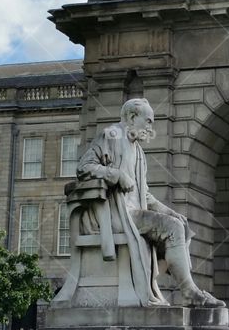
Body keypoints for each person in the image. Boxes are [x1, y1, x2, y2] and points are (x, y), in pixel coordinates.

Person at [70, 98, 220, 308]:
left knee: (180, 225)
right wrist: (116, 174)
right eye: (148, 121)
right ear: (132, 117)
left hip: (135, 213)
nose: (151, 127)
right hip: (115, 213)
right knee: (173, 228)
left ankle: (177, 287)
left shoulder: (138, 151)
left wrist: (169, 211)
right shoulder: (111, 135)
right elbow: (84, 167)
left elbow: (146, 195)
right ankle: (188, 291)